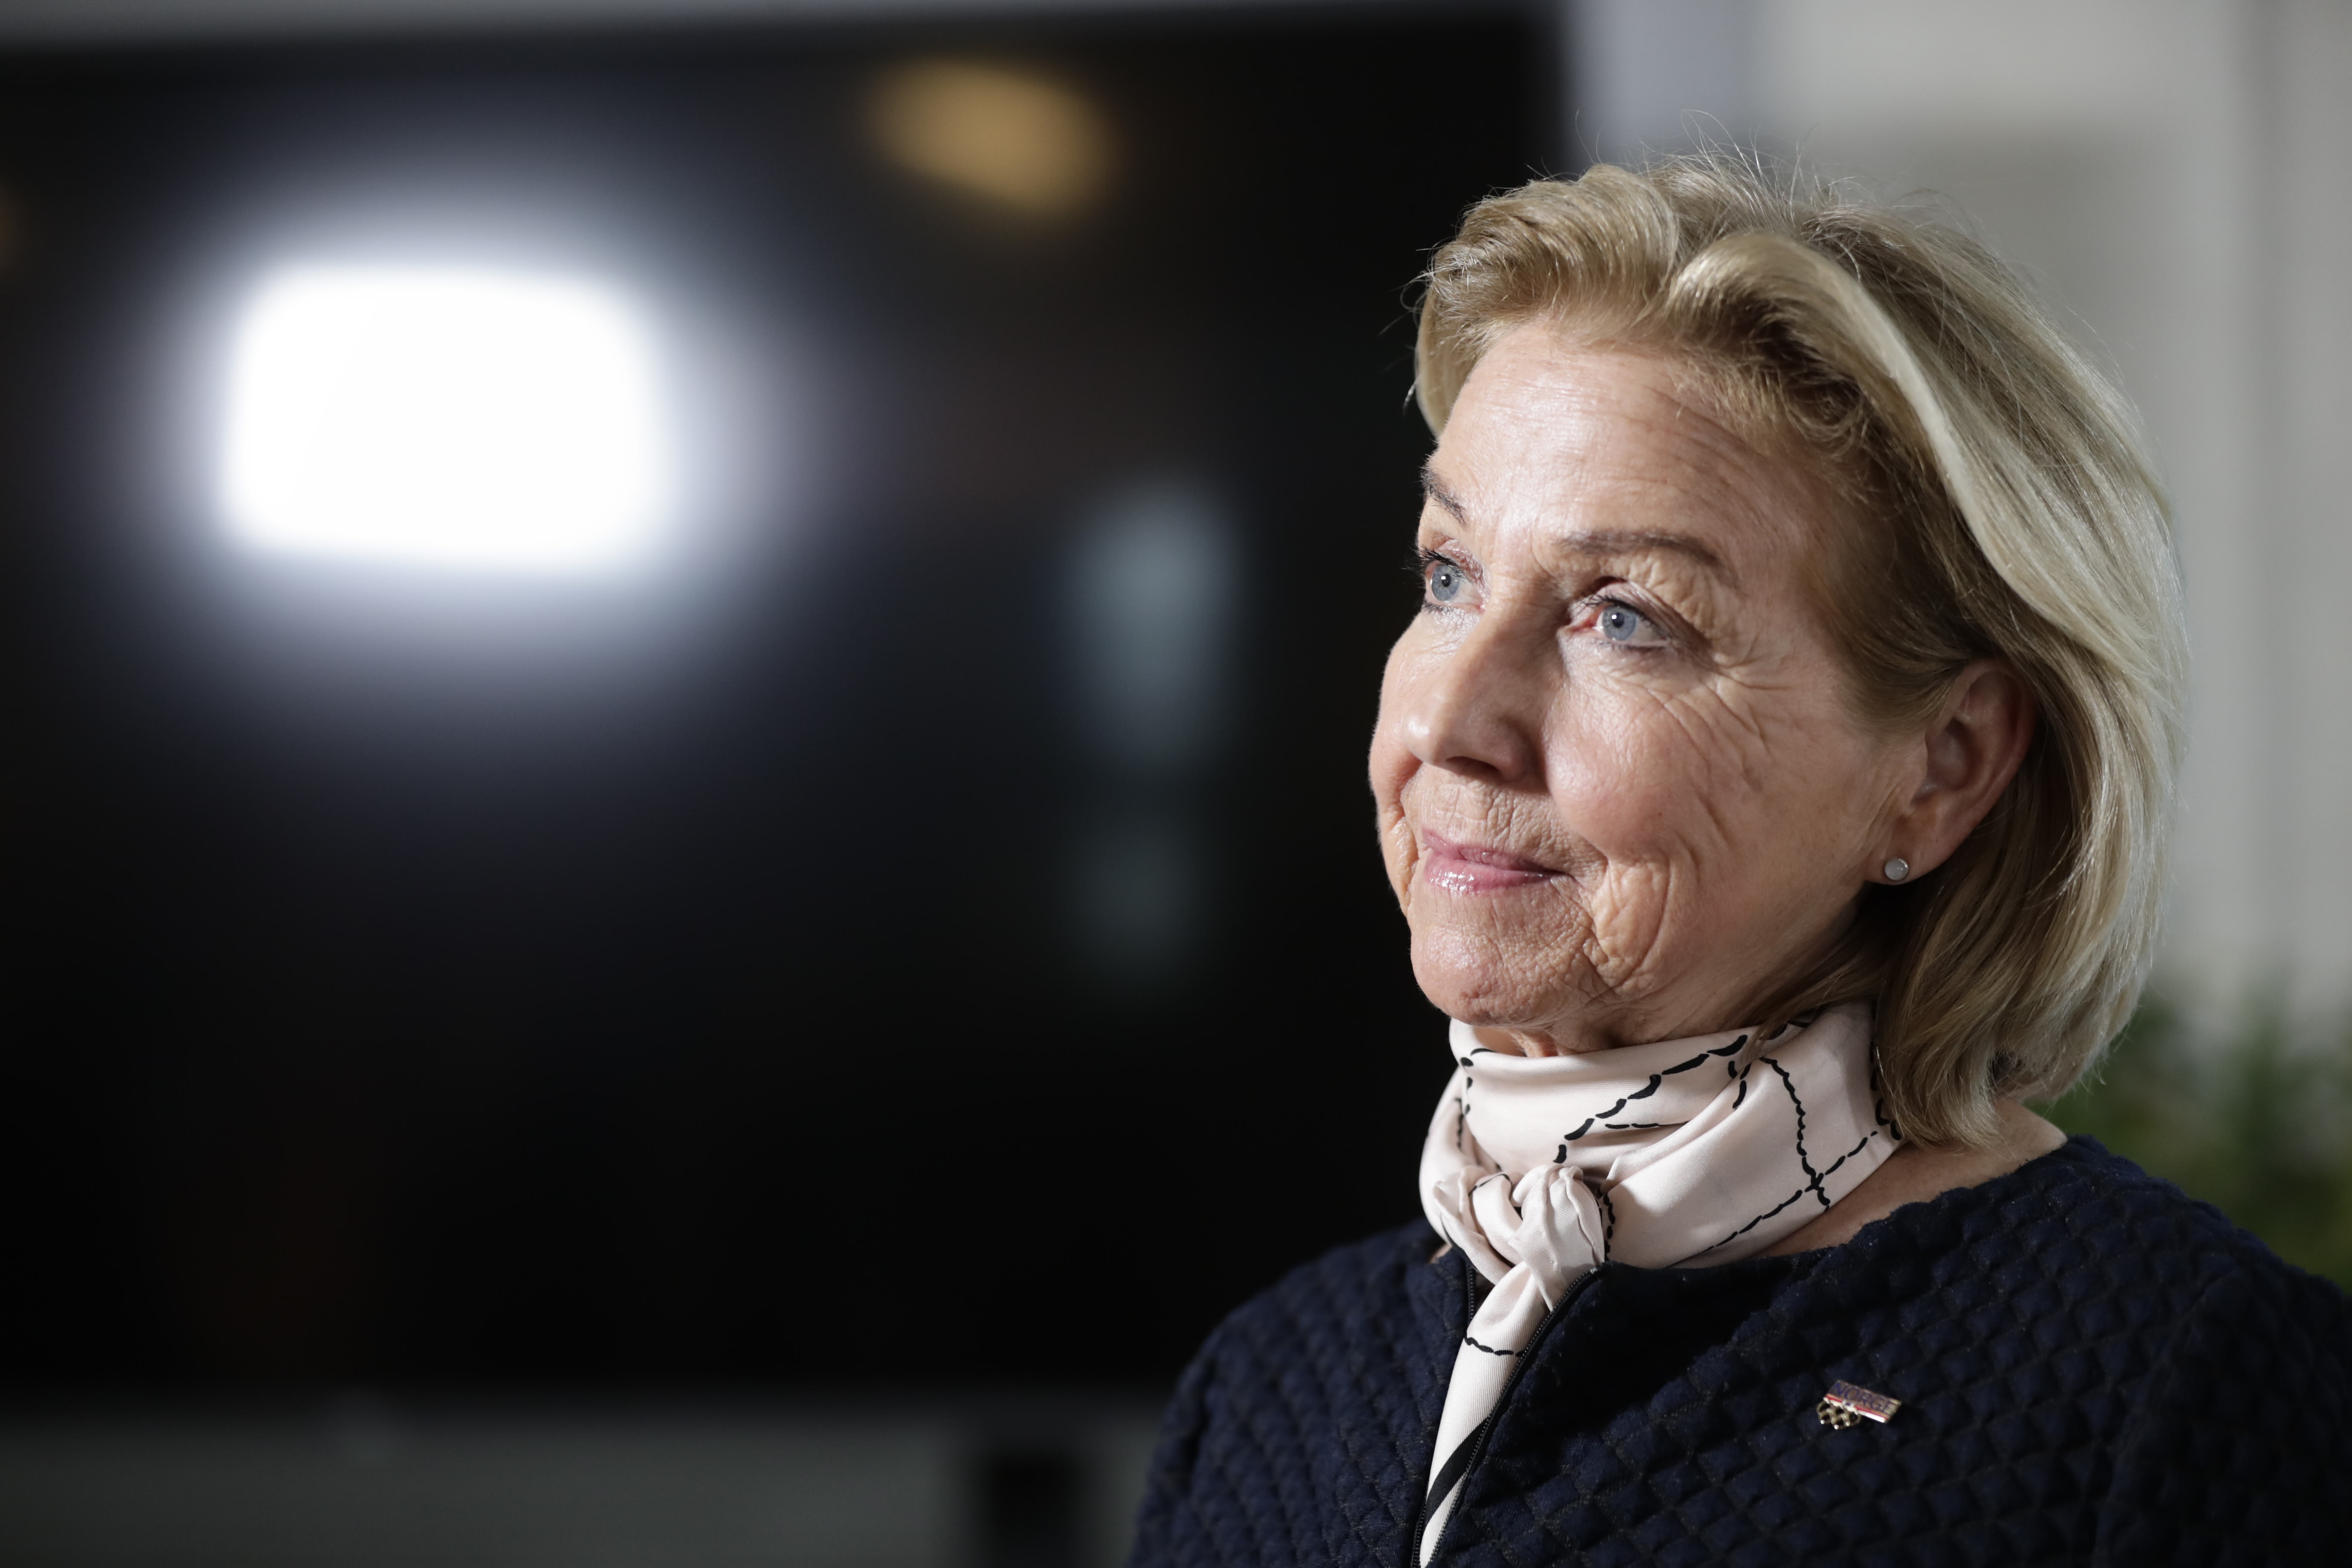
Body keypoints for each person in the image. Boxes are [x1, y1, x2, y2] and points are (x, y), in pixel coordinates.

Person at [1126, 157, 2352, 1567]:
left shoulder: (2180, 1386)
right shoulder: (1269, 1383)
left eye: (1625, 618)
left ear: (1944, 767)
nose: (1450, 725)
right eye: (1449, 575)